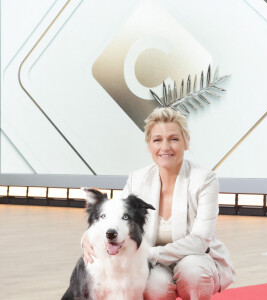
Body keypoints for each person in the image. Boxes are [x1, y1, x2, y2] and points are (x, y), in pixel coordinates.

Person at [82, 107, 235, 300]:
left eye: (173, 139)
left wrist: (150, 253)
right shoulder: (137, 179)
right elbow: (116, 218)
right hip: (154, 265)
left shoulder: (205, 179)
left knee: (192, 271)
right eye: (157, 140)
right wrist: (87, 236)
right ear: (149, 145)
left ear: (186, 142)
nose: (165, 147)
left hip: (196, 258)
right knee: (153, 285)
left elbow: (200, 240)